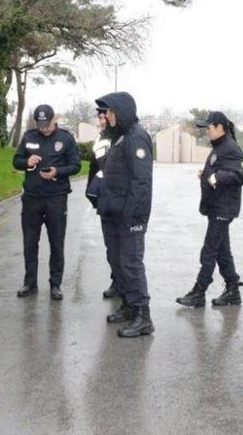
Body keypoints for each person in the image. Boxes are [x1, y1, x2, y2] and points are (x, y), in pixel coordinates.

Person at [94, 92, 154, 338]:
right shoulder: (120, 136)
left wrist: (134, 217)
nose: (105, 117)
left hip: (129, 217)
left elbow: (141, 182)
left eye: (108, 112)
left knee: (131, 263)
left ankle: (143, 315)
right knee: (118, 261)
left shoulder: (136, 137)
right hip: (114, 213)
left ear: (120, 111)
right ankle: (129, 307)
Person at [177, 111, 243, 308]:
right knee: (222, 251)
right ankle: (233, 290)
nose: (206, 131)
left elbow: (241, 174)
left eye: (208, 127)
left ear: (219, 127)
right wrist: (206, 173)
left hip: (223, 208)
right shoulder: (220, 146)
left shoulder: (230, 147)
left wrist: (216, 177)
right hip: (218, 206)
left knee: (209, 250)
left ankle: (199, 291)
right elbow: (220, 168)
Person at [12, 105, 81, 300]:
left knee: (56, 243)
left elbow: (76, 165)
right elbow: (16, 160)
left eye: (47, 124)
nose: (44, 128)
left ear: (54, 119)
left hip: (56, 198)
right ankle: (30, 283)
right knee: (30, 243)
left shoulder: (66, 139)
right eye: (40, 125)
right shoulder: (29, 137)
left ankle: (55, 285)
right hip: (32, 198)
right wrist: (27, 162)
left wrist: (57, 172)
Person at [86, 108, 118, 299]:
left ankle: (124, 283)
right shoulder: (98, 139)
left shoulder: (119, 137)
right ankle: (117, 281)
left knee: (122, 246)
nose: (102, 118)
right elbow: (92, 167)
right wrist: (91, 193)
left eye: (104, 115)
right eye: (99, 116)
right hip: (103, 200)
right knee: (111, 245)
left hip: (118, 199)